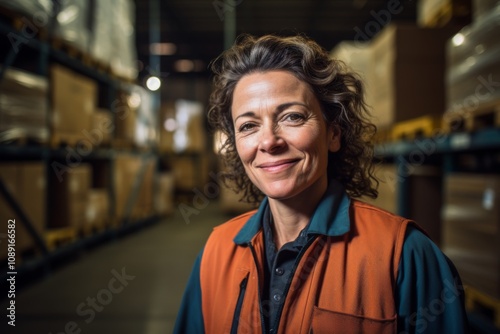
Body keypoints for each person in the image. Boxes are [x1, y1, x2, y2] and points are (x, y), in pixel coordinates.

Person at [173, 34, 469, 334]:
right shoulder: (216, 252)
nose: (268, 142)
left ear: (334, 134)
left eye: (292, 117)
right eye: (248, 126)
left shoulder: (404, 254)